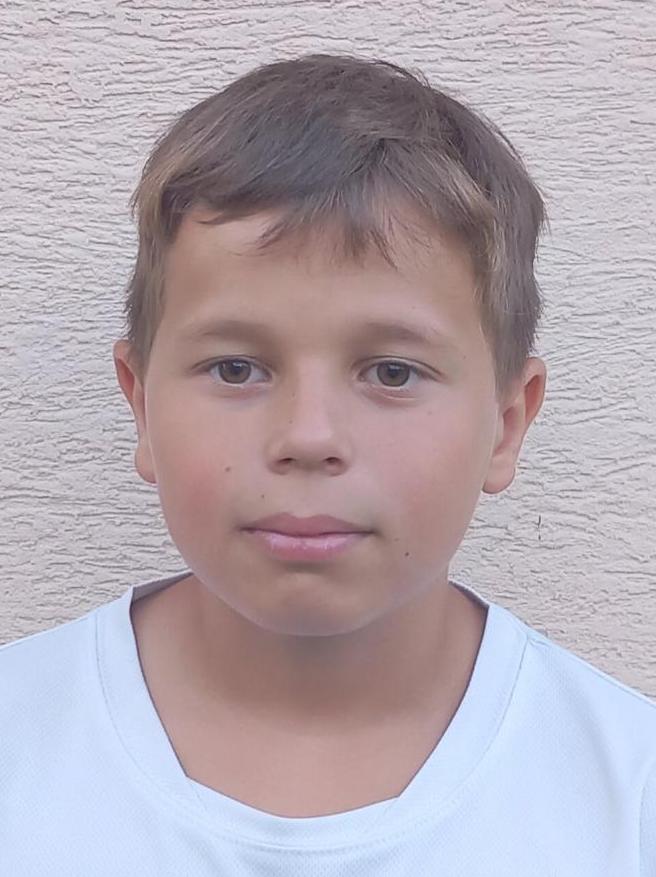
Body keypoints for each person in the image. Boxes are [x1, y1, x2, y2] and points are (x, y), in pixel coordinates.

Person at [1, 52, 654, 875]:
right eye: (236, 367)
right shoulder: (19, 747)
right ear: (141, 405)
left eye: (393, 373)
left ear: (506, 424)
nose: (308, 436)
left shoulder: (629, 795)